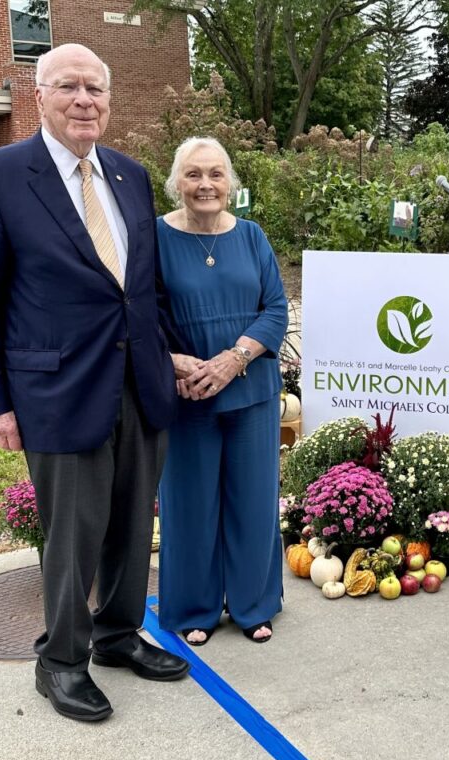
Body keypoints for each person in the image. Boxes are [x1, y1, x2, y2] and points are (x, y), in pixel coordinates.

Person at [0, 44, 190, 722]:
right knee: (73, 534)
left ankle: (117, 636)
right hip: (56, 390)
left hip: (138, 381)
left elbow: (143, 287)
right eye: (70, 88)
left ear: (110, 103)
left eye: (96, 89)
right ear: (40, 97)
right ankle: (60, 661)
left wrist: (173, 357)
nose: (85, 100)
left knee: (130, 521)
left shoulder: (129, 176)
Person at [155, 137, 288, 646]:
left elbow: (275, 307)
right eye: (193, 174)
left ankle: (255, 604)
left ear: (230, 183)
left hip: (250, 391)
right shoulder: (154, 238)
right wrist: (172, 361)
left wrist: (236, 359)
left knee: (254, 502)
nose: (205, 184)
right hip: (187, 395)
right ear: (176, 182)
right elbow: (139, 313)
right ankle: (194, 608)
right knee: (189, 505)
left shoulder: (252, 236)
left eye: (215, 174)